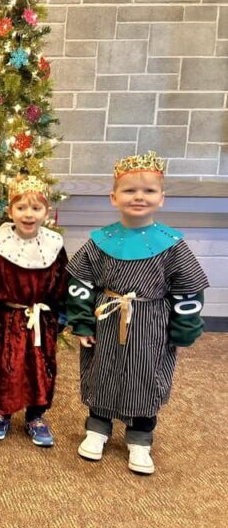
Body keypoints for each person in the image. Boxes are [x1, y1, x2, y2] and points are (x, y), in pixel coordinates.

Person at [66, 151, 209, 474]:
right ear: (114, 197)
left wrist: (184, 327)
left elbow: (189, 288)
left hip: (150, 323)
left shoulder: (171, 244)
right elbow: (80, 283)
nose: (139, 197)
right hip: (107, 318)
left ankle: (140, 437)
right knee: (101, 370)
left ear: (161, 198)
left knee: (147, 375)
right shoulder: (99, 241)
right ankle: (97, 428)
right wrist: (81, 321)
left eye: (149, 191)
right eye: (130, 190)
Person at [0, 175, 68, 447]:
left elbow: (62, 280)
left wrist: (60, 314)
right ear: (10, 211)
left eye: (36, 208)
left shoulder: (53, 245)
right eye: (21, 208)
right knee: (4, 367)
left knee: (41, 366)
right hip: (7, 319)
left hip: (41, 319)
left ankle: (35, 415)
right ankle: (3, 410)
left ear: (46, 212)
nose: (28, 215)